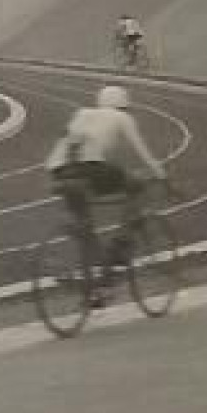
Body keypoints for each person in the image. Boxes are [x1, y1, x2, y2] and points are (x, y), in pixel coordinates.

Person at [45, 85, 169, 305]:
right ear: (124, 106)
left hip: (59, 170)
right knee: (135, 186)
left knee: (85, 226)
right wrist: (162, 177)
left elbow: (67, 138)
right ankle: (120, 245)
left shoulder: (82, 113)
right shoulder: (122, 117)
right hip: (91, 168)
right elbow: (142, 151)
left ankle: (96, 289)